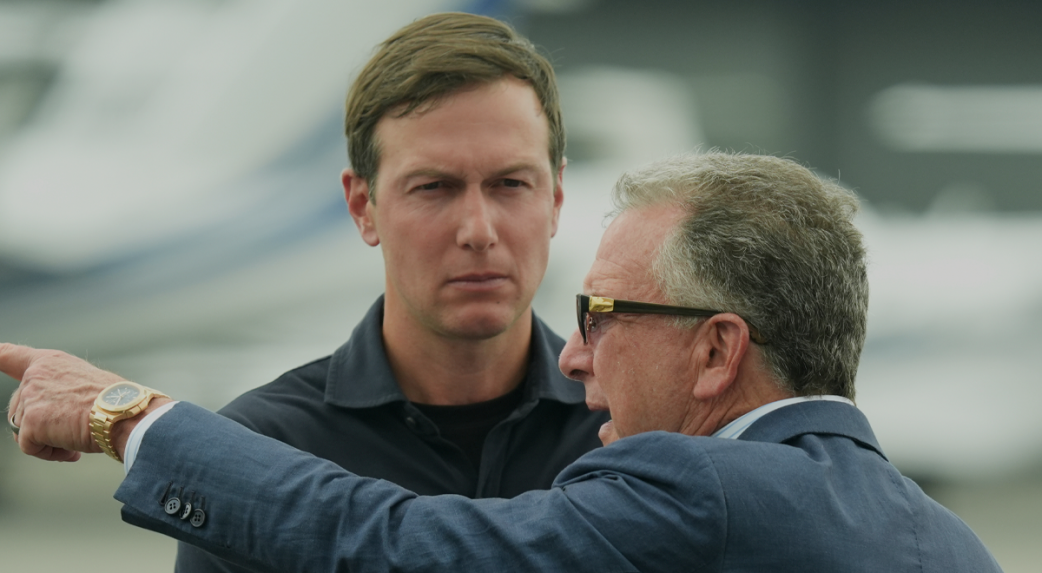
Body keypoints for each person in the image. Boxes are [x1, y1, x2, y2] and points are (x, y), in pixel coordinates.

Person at [5, 153, 1003, 572]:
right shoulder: (955, 546)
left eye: (600, 316)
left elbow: (396, 541)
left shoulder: (698, 487)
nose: (571, 356)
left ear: (715, 350)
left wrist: (126, 416)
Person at [171, 12, 609, 572]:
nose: (478, 231)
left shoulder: (630, 431)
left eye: (511, 184)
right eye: (434, 187)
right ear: (362, 206)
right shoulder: (262, 447)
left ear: (556, 199)